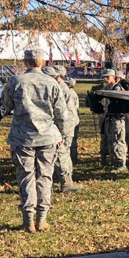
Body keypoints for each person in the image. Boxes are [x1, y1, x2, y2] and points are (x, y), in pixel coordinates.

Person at [2, 49, 68, 233]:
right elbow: (62, 113)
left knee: (26, 177)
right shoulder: (52, 82)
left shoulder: (16, 81)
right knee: (45, 177)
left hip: (22, 137)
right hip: (48, 136)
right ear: (43, 62)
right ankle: (42, 219)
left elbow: (6, 105)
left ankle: (28, 220)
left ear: (26, 62)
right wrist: (61, 135)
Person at [44, 65, 82, 193]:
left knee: (63, 154)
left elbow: (69, 115)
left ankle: (66, 181)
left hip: (64, 128)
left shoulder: (64, 91)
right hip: (58, 127)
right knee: (61, 154)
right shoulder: (55, 88)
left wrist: (63, 131)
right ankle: (61, 178)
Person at [98, 69, 129, 173]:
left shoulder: (118, 89)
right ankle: (114, 161)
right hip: (110, 118)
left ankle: (121, 164)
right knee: (111, 140)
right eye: (104, 77)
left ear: (113, 77)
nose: (105, 79)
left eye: (107, 77)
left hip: (118, 119)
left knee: (118, 141)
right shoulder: (109, 88)